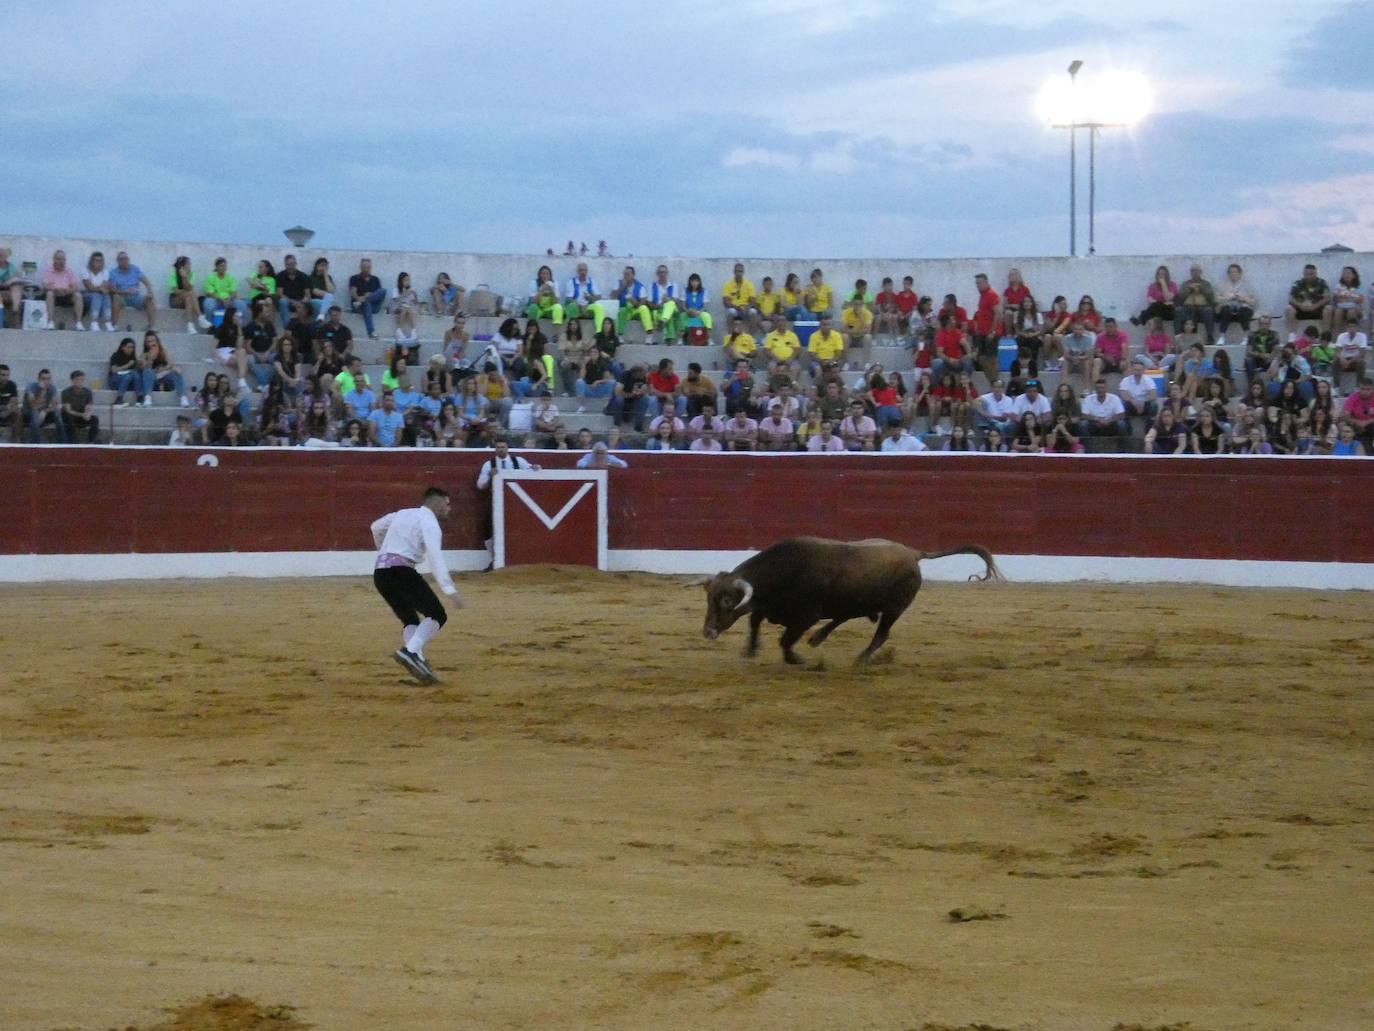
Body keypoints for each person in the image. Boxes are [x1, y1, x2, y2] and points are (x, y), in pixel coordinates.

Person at [370, 487, 465, 685]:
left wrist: (384, 550)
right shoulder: (429, 522)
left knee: (410, 619)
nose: (449, 509)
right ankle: (410, 652)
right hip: (402, 572)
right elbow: (435, 557)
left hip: (380, 574)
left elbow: (376, 527)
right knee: (437, 614)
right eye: (447, 505)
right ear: (438, 504)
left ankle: (418, 659)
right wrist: (450, 590)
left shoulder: (402, 514)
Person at [108, 251, 157, 330]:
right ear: (118, 261)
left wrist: (150, 291)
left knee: (149, 298)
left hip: (136, 297)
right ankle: (114, 326)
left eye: (126, 258)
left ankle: (152, 326)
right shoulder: (113, 273)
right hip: (122, 297)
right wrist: (125, 292)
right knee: (115, 298)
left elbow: (145, 281)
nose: (125, 261)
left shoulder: (135, 269)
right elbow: (112, 290)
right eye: (122, 259)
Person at [42, 249, 85, 330]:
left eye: (63, 259)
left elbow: (75, 287)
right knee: (49, 294)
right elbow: (44, 286)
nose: (61, 261)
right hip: (54, 295)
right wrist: (56, 289)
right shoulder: (48, 271)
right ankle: (50, 322)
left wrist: (68, 290)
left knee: (78, 295)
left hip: (67, 295)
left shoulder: (69, 271)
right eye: (58, 259)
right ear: (54, 259)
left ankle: (79, 323)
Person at [1174, 264, 1217, 342]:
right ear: (1190, 273)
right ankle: (1178, 338)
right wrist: (1189, 289)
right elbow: (1180, 296)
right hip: (1188, 307)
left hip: (1202, 307)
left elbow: (1211, 297)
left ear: (1200, 272)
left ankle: (1210, 336)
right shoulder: (1186, 283)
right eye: (1193, 271)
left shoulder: (1206, 283)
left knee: (1209, 310)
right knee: (1178, 311)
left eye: (1197, 271)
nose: (1195, 273)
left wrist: (1201, 288)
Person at [201, 257, 249, 323]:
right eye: (221, 266)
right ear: (216, 267)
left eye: (225, 266)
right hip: (216, 300)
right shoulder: (210, 277)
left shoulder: (230, 277)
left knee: (242, 304)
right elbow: (210, 293)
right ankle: (211, 325)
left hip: (229, 300)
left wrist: (229, 299)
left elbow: (234, 292)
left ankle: (241, 327)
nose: (224, 268)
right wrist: (222, 300)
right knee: (207, 303)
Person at [24, 369, 65, 443]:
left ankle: (63, 442)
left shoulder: (52, 388)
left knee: (57, 413)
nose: (46, 381)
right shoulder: (30, 387)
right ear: (38, 379)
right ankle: (36, 443)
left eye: (48, 379)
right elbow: (34, 406)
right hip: (28, 413)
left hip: (43, 413)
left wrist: (45, 411)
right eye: (43, 379)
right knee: (35, 413)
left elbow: (55, 405)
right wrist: (43, 391)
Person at [1215, 262, 1257, 335]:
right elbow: (1216, 299)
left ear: (1240, 274)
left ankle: (1246, 336)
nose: (1233, 274)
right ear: (1228, 274)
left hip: (1242, 311)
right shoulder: (1221, 285)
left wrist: (1243, 299)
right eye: (1231, 272)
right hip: (1227, 311)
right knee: (1225, 310)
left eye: (1235, 272)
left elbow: (1254, 301)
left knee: (1244, 311)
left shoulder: (1247, 286)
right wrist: (1228, 298)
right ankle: (1221, 336)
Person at [60, 371, 100, 443]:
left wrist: (88, 414)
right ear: (72, 381)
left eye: (82, 380)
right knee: (68, 418)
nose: (80, 382)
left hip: (81, 416)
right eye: (78, 380)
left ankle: (91, 441)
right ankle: (72, 442)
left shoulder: (87, 392)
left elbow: (89, 406)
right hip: (70, 416)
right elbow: (68, 410)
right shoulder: (66, 392)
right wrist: (82, 414)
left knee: (95, 419)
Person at [81, 251, 116, 332]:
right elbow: (89, 287)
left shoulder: (105, 271)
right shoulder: (85, 270)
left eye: (100, 260)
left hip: (100, 296)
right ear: (91, 261)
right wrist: (100, 289)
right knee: (98, 295)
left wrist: (100, 289)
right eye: (96, 260)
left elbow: (104, 286)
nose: (98, 263)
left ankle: (108, 322)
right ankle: (94, 322)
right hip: (85, 295)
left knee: (105, 295)